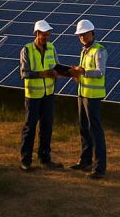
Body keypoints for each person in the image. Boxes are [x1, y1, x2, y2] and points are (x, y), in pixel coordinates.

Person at [18, 19, 68, 171]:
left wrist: (71, 71)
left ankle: (45, 158)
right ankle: (25, 161)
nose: (46, 37)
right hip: (33, 95)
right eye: (44, 34)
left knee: (47, 127)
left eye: (48, 34)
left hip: (48, 94)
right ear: (37, 33)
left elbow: (56, 66)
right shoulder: (26, 49)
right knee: (30, 127)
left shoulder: (52, 48)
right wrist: (43, 74)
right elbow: (24, 73)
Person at [68, 19, 107, 179]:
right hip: (82, 93)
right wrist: (76, 74)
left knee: (95, 131)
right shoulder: (84, 50)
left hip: (93, 96)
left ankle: (99, 168)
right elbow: (84, 71)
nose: (82, 37)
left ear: (92, 33)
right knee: (84, 128)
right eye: (80, 35)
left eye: (84, 34)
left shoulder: (99, 50)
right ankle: (85, 160)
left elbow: (100, 72)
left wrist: (83, 72)